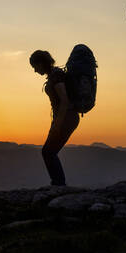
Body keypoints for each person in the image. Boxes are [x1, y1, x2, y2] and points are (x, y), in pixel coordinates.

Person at [30, 50, 80, 186]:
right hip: (66, 117)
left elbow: (64, 100)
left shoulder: (56, 76)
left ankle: (58, 184)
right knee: (49, 152)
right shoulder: (54, 75)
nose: (35, 70)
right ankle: (58, 183)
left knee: (48, 152)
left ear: (41, 63)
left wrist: (57, 125)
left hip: (67, 118)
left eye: (35, 66)